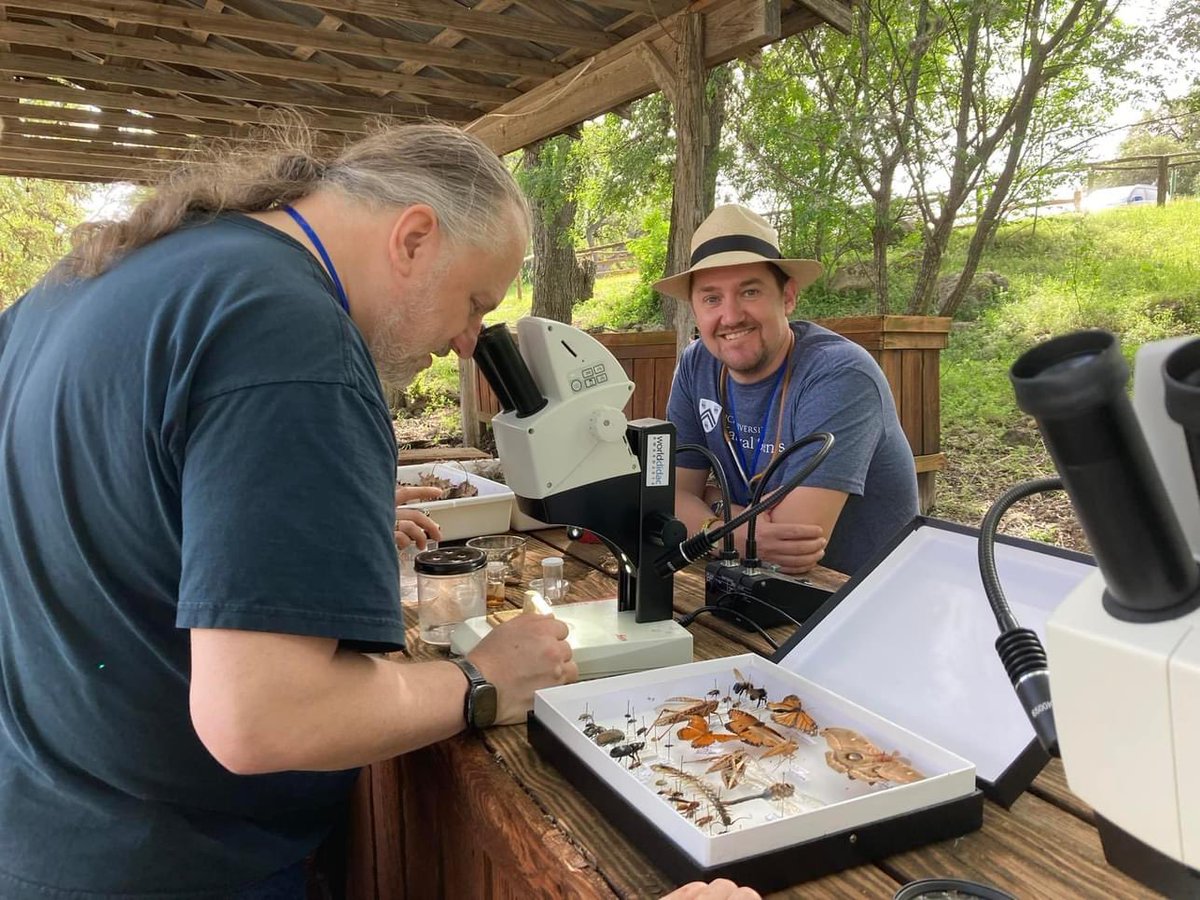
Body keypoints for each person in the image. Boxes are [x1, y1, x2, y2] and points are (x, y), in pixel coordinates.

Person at [0, 123, 579, 899]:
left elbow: (113, 503)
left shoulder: (85, 279)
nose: (468, 343)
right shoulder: (293, 332)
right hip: (176, 867)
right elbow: (263, 717)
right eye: (476, 302)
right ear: (413, 238)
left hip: (39, 831)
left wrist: (307, 526)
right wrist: (482, 681)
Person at [660, 204, 918, 577]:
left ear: (788, 297)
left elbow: (789, 547)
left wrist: (711, 505)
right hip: (751, 589)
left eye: (750, 291)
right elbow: (670, 498)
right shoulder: (696, 365)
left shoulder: (839, 374)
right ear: (696, 310)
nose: (730, 316)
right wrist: (720, 527)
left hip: (857, 594)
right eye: (712, 298)